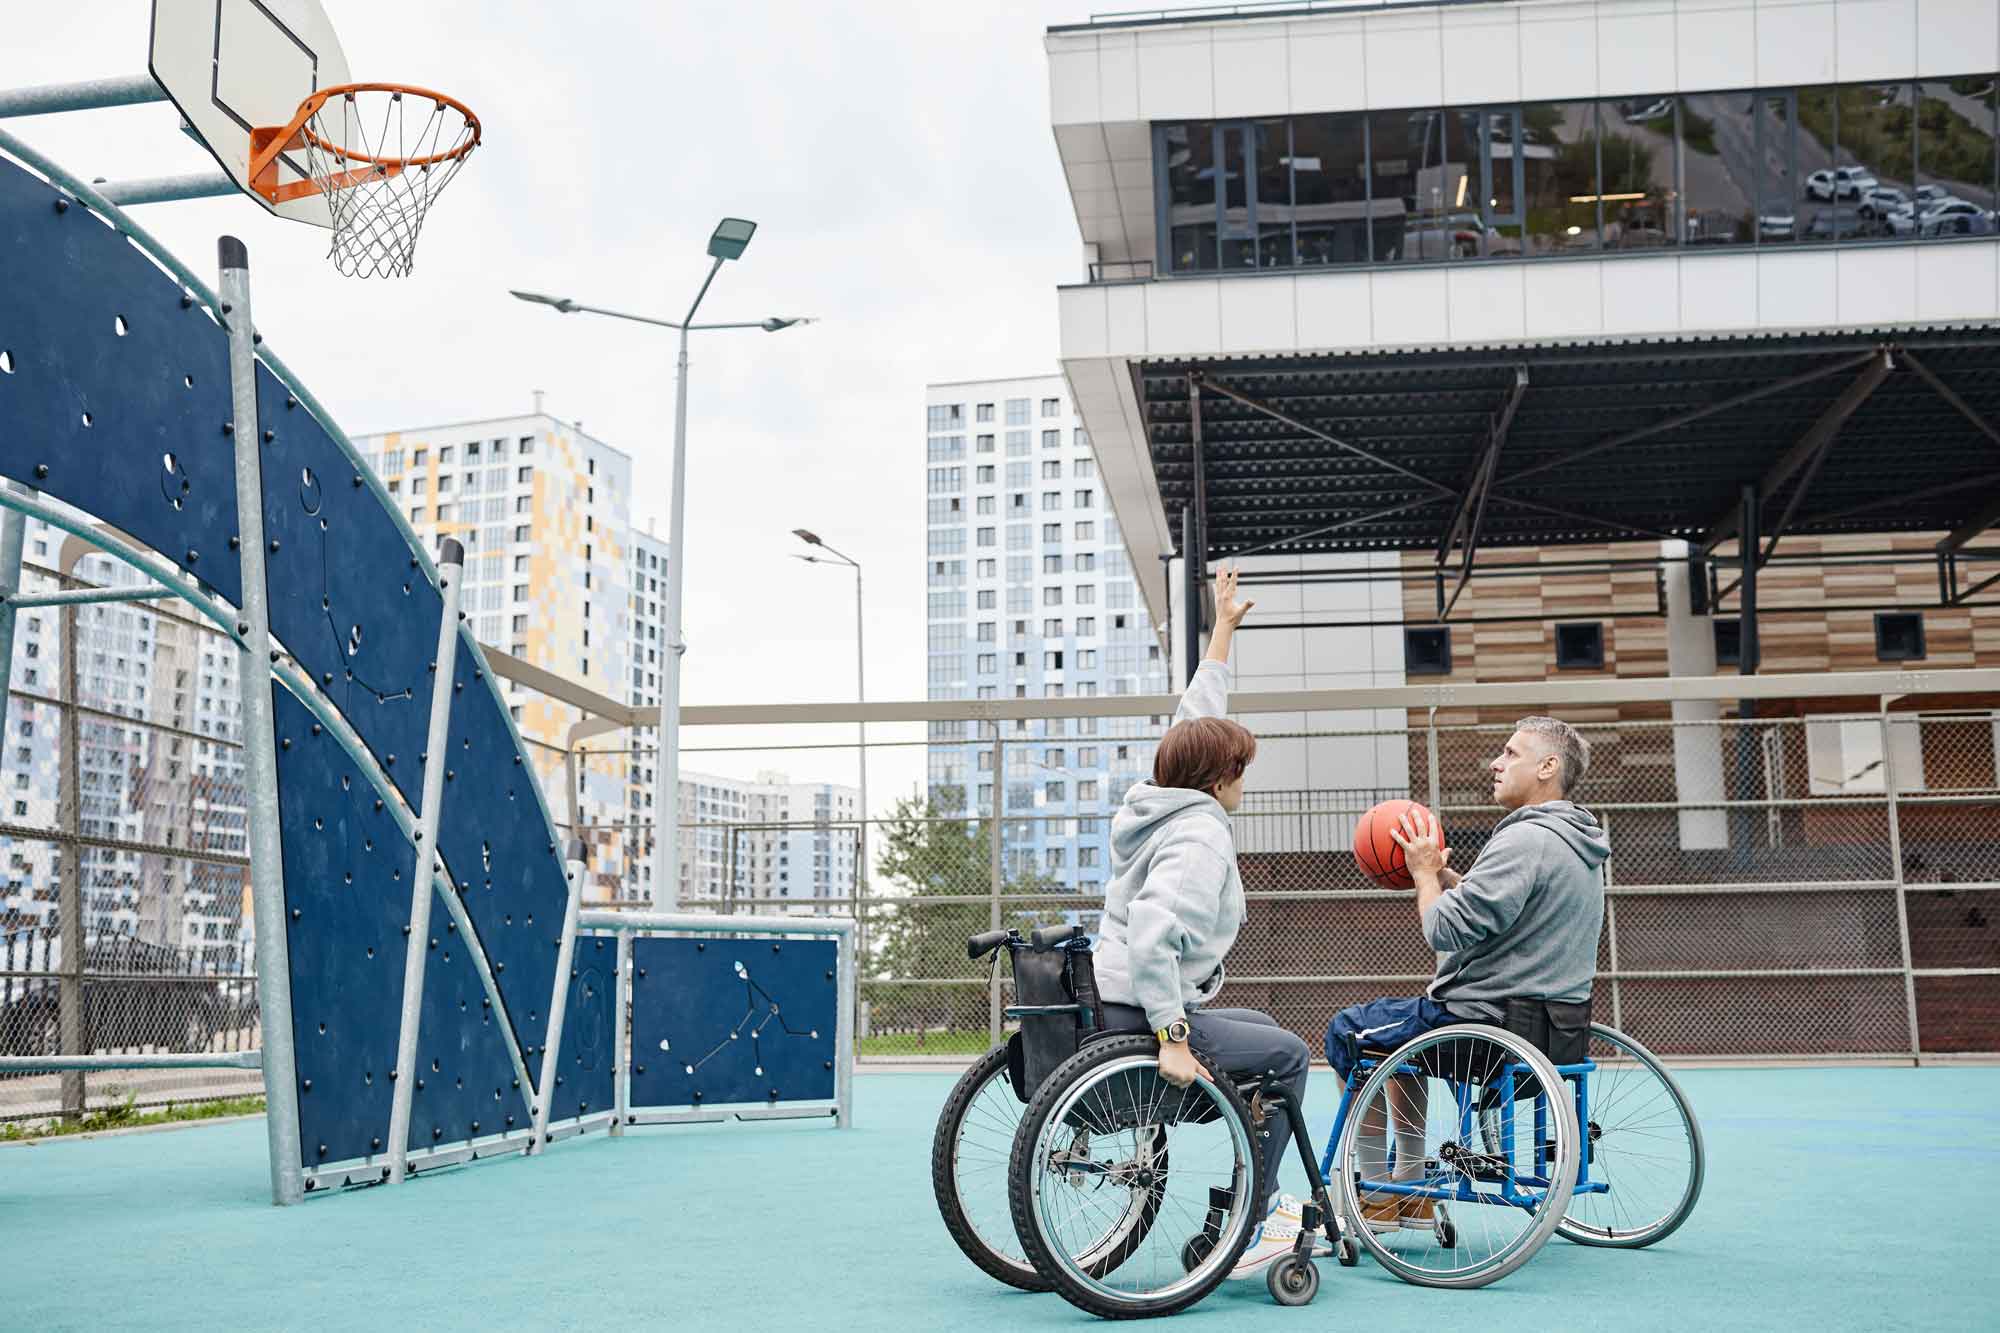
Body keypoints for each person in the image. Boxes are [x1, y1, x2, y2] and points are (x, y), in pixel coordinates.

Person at [1093, 565, 1318, 1278]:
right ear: (1219, 779)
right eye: (1239, 770)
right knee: (1287, 1057)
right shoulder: (1201, 833)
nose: (1244, 782)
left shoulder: (1160, 797)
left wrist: (1223, 628)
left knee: (1262, 1029)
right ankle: (1257, 1214)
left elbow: (1195, 719)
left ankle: (1248, 1187)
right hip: (1143, 1010)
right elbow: (1156, 928)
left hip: (1116, 993)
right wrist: (1172, 1033)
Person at [1323, 716, 1609, 1223]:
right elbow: (1502, 911)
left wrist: (1423, 876)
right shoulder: (1578, 842)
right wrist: (1448, 876)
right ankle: (1407, 1186)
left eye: (1511, 753)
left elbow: (1443, 930)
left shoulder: (1525, 840)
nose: (1496, 764)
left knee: (1350, 1032)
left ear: (1548, 767)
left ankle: (1386, 1192)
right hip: (1553, 1033)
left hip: (1486, 1029)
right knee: (1398, 1032)